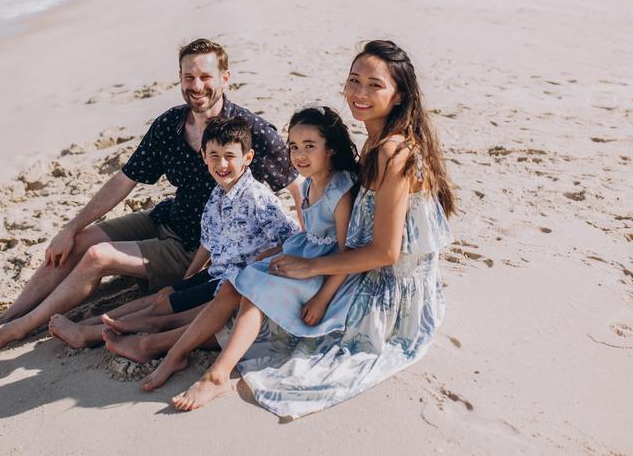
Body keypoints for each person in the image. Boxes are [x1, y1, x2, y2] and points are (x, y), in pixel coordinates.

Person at [0, 38, 301, 355]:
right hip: (166, 217)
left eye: (206, 77)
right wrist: (70, 227)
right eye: (188, 77)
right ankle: (6, 314)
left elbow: (296, 187)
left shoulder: (251, 132)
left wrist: (311, 255)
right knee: (77, 242)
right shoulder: (171, 124)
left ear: (225, 78)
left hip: (193, 248)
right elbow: (125, 180)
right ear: (180, 78)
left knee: (96, 255)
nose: (197, 86)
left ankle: (17, 329)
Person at [167, 40, 455, 416]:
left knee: (268, 308)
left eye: (375, 85)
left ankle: (193, 361)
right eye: (354, 81)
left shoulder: (391, 151)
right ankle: (167, 343)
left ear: (399, 94)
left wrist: (311, 267)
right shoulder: (375, 142)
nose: (359, 93)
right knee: (255, 288)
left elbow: (387, 252)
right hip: (361, 264)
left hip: (391, 288)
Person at [125, 105, 360, 396]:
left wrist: (323, 298)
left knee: (251, 292)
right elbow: (302, 233)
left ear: (331, 149)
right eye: (294, 146)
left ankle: (218, 374)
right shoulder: (311, 182)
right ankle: (175, 355)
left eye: (309, 146)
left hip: (325, 269)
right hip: (304, 252)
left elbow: (347, 251)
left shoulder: (340, 190)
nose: (299, 155)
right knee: (232, 286)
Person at [49, 116, 300, 349]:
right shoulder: (217, 195)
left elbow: (292, 236)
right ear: (203, 156)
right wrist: (186, 279)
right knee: (161, 296)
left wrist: (265, 257)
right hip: (217, 272)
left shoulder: (257, 197)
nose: (221, 164)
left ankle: (88, 335)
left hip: (234, 281)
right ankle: (88, 325)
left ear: (247, 157)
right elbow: (209, 241)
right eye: (214, 156)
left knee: (160, 310)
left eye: (229, 156)